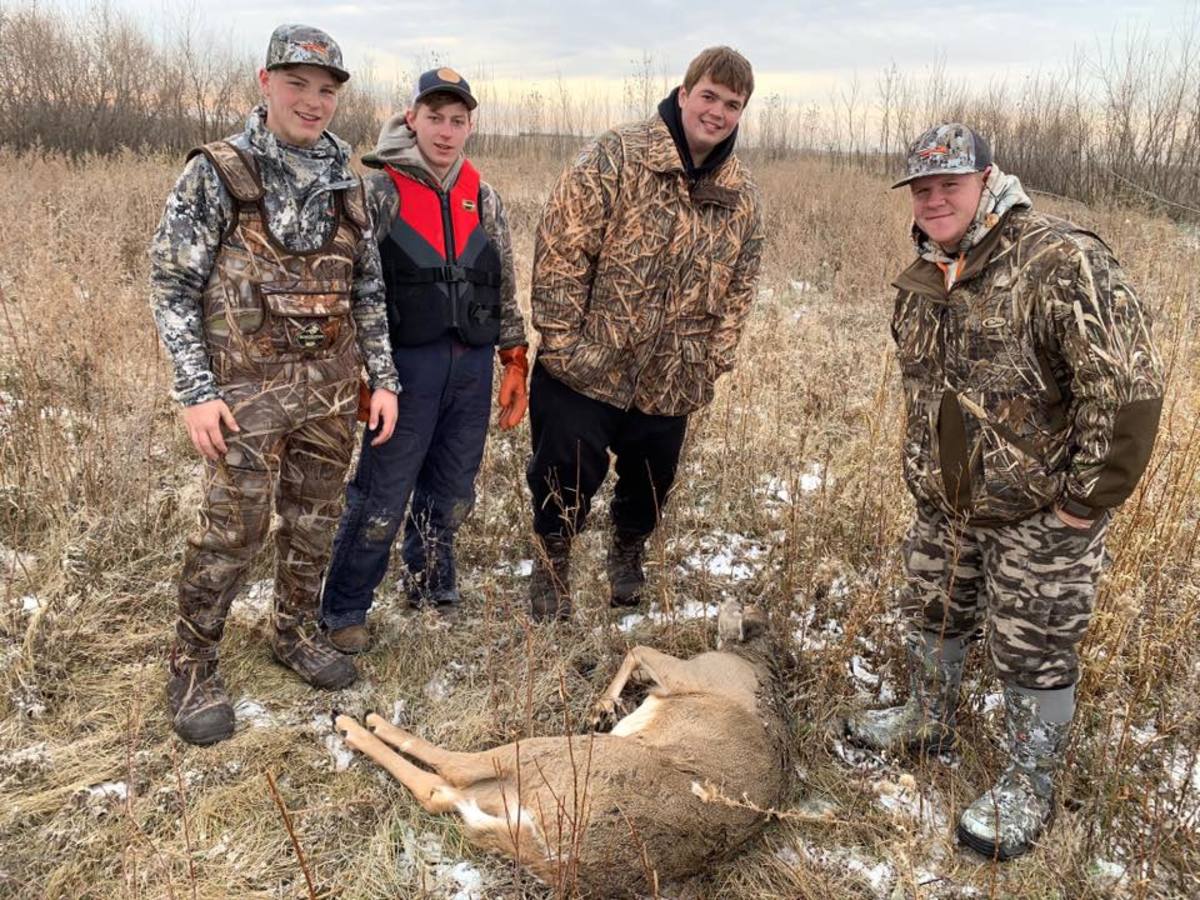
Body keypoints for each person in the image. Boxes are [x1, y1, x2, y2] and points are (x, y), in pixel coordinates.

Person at [845, 123, 1164, 859]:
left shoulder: (1059, 259)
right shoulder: (929, 271)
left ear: (988, 181)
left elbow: (1126, 393)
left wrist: (1080, 505)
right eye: (921, 189)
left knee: (1035, 649)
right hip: (947, 505)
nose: (933, 201)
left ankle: (1030, 780)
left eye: (949, 185)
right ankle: (929, 716)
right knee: (935, 608)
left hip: (1040, 515)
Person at [149, 24, 400, 745]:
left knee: (315, 521)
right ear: (266, 83)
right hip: (243, 397)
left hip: (328, 393)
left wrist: (382, 380)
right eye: (297, 84)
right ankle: (192, 662)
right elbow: (172, 286)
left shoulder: (349, 184)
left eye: (326, 90)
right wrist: (196, 391)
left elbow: (368, 292)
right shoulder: (219, 173)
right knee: (234, 531)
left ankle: (293, 632)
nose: (312, 101)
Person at [525, 46, 763, 620]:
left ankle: (627, 554)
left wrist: (710, 362)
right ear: (684, 95)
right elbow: (562, 248)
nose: (717, 112)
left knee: (651, 481)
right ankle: (553, 562)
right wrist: (565, 344)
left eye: (732, 104)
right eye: (708, 96)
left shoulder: (741, 195)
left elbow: (741, 286)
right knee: (564, 471)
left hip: (672, 375)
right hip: (586, 366)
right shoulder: (616, 155)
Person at [319, 68, 527, 652]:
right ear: (412, 118)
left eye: (457, 120)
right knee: (380, 495)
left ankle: (431, 586)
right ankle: (345, 608)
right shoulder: (378, 191)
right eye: (434, 117)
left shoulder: (483, 195)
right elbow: (354, 286)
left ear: (470, 126)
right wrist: (366, 370)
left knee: (452, 489)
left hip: (471, 365)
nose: (445, 130)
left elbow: (503, 279)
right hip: (404, 370)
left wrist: (514, 357)